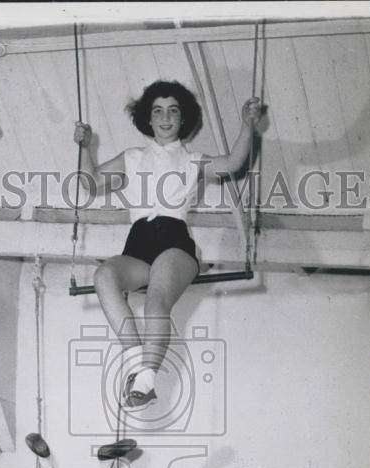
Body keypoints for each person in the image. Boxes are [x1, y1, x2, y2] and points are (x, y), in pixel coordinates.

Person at [74, 81, 263, 408]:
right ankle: (136, 361)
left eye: (173, 111)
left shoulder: (193, 160)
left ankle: (146, 380)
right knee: (104, 276)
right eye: (158, 111)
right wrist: (84, 147)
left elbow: (233, 163)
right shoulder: (131, 157)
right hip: (137, 245)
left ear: (183, 119)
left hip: (174, 245)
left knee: (155, 304)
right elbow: (88, 182)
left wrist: (247, 125)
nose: (165, 117)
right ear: (148, 118)